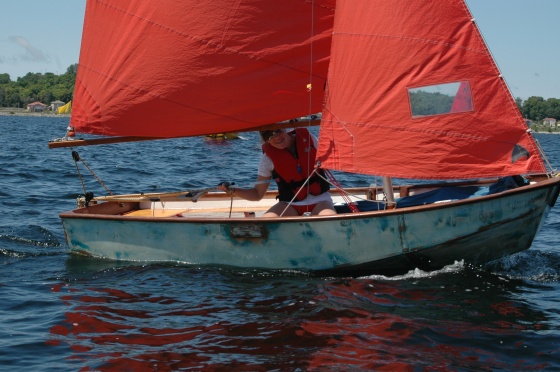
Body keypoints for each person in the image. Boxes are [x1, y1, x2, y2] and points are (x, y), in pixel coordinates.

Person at [217, 128, 337, 217]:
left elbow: (331, 158)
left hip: (321, 201)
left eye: (278, 131)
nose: (276, 138)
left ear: (285, 129)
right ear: (265, 140)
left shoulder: (308, 139)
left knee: (327, 221)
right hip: (289, 204)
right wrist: (231, 190)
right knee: (266, 225)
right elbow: (257, 194)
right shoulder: (267, 159)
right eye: (269, 136)